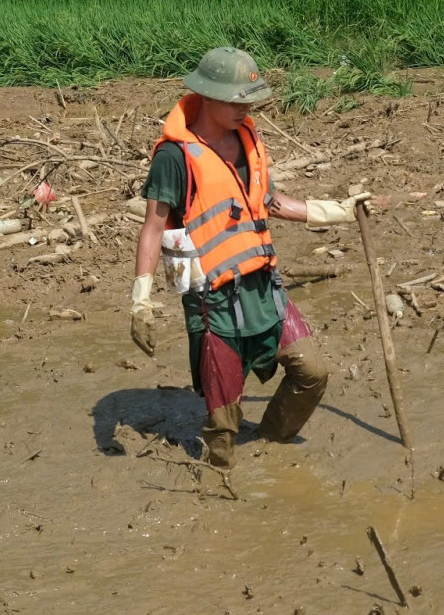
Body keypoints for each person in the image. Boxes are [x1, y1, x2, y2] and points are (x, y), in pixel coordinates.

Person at [130, 47, 369, 469]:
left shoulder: (247, 138)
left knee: (312, 373)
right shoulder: (174, 157)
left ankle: (271, 446)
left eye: (250, 101)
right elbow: (153, 226)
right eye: (237, 101)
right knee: (224, 424)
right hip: (214, 301)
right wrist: (141, 300)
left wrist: (341, 210)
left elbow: (269, 201)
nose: (247, 109)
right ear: (207, 96)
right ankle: (217, 484)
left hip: (262, 284)